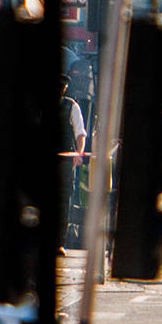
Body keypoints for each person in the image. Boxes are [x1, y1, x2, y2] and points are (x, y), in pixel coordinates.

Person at [60, 74, 87, 251]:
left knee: (63, 201)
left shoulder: (72, 106)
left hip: (64, 162)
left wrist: (79, 153)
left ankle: (59, 243)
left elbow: (80, 133)